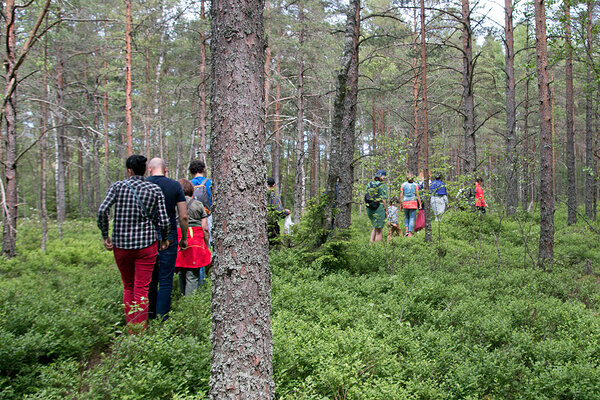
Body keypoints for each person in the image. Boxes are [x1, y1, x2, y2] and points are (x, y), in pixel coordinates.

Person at [97, 155, 170, 331]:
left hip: (121, 245)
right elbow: (164, 220)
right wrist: (165, 238)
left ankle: (132, 329)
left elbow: (102, 211)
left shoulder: (118, 187)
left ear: (129, 170)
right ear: (144, 170)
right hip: (147, 245)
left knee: (128, 286)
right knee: (142, 288)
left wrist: (105, 235)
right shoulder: (154, 189)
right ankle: (140, 330)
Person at [146, 158, 188, 321]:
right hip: (169, 236)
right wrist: (183, 238)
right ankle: (162, 318)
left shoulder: (143, 185)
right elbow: (183, 216)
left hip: (146, 236)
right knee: (165, 279)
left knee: (150, 278)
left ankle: (149, 316)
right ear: (166, 169)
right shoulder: (174, 185)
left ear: (150, 169)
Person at [175, 179, 211, 295]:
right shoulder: (198, 205)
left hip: (179, 238)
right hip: (195, 241)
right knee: (192, 274)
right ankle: (189, 303)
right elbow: (205, 228)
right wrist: (206, 244)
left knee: (181, 271)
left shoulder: (173, 205)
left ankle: (182, 296)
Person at [189, 160, 213, 245]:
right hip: (208, 214)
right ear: (203, 169)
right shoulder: (210, 183)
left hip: (193, 218)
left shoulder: (189, 184)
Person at [365, 170, 388, 242]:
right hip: (379, 208)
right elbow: (383, 199)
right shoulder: (382, 186)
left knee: (375, 227)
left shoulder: (369, 184)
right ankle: (377, 249)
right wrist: (386, 210)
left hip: (369, 208)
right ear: (382, 176)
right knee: (379, 230)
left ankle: (371, 244)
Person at [267, 177, 290, 246]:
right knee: (274, 248)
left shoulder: (257, 194)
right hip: (271, 226)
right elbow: (279, 212)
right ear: (273, 185)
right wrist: (286, 212)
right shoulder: (273, 196)